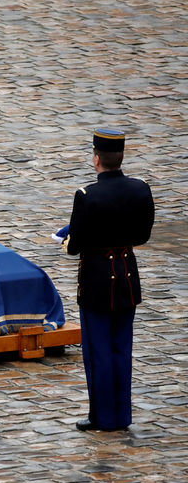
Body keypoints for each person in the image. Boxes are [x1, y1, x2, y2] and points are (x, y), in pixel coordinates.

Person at [61, 128, 154, 431]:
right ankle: (122, 416)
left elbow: (75, 247)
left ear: (96, 159)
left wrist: (66, 240)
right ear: (121, 157)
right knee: (121, 349)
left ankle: (103, 417)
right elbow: (142, 235)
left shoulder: (87, 195)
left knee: (98, 351)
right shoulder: (141, 188)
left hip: (97, 280)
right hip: (126, 275)